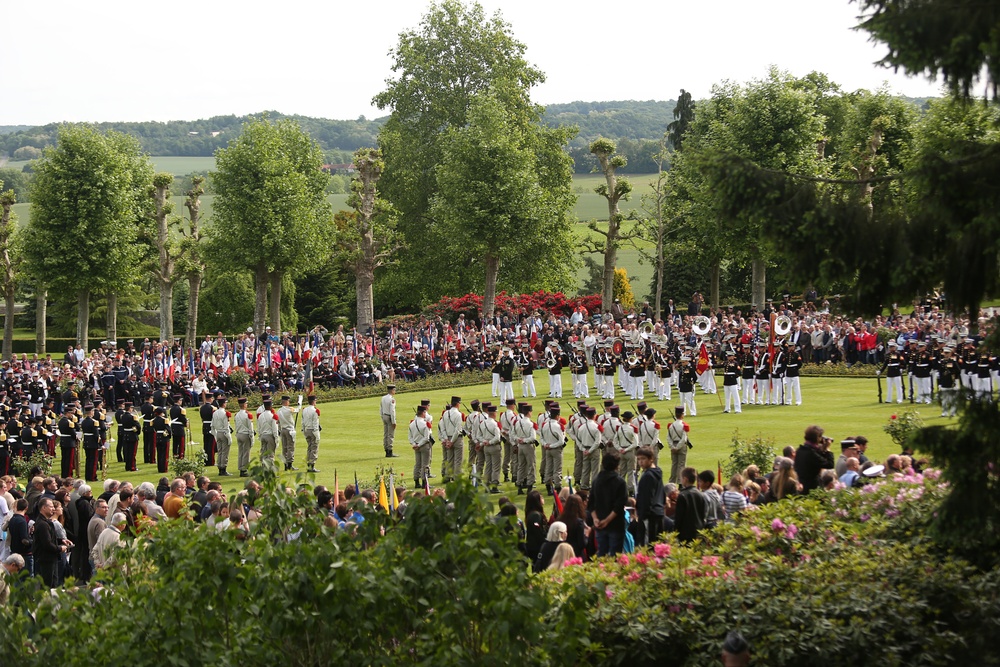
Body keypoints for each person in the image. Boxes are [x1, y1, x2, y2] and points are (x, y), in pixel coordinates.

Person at [588, 451, 627, 557]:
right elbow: (619, 506)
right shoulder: (620, 482)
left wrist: (595, 519)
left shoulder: (596, 481)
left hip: (599, 522)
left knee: (602, 555)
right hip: (615, 524)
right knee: (615, 557)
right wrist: (607, 520)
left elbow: (591, 503)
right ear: (617, 466)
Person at [634, 446, 665, 546]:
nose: (640, 462)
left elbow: (646, 498)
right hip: (658, 512)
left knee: (648, 545)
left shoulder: (648, 476)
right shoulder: (657, 472)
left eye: (643, 459)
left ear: (651, 459)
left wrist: (642, 515)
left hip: (649, 515)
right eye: (638, 459)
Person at [32, 497, 66, 588]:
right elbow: (47, 544)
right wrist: (60, 548)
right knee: (48, 585)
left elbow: (48, 538)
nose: (53, 509)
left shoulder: (45, 522)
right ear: (43, 508)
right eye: (51, 507)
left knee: (53, 584)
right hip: (46, 559)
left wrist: (61, 540)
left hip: (50, 558)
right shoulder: (42, 524)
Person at [794, 425, 834, 494]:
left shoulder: (800, 450)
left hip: (802, 486)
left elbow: (817, 460)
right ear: (817, 438)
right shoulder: (811, 454)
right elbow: (830, 464)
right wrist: (828, 450)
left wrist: (822, 449)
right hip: (813, 489)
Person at [674, 467, 707, 544]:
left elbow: (679, 516)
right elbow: (703, 514)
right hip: (698, 530)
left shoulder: (682, 495)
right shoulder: (701, 494)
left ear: (685, 479)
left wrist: (675, 531)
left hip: (685, 532)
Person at [409, 405, 433, 489]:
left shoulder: (412, 423)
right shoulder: (425, 424)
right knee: (425, 465)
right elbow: (426, 438)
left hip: (416, 446)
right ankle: (424, 482)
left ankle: (416, 481)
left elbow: (410, 437)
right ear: (423, 413)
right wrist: (419, 445)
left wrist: (414, 444)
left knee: (417, 464)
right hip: (424, 445)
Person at [666, 406, 690, 485]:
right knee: (681, 465)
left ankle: (672, 482)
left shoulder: (671, 425)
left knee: (674, 465)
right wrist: (678, 447)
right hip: (681, 446)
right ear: (682, 414)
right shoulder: (684, 425)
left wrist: (672, 447)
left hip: (673, 444)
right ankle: (680, 482)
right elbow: (684, 439)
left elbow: (668, 437)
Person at [212, 395, 233, 476]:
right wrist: (229, 437)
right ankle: (223, 468)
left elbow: (212, 425)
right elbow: (226, 426)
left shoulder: (215, 412)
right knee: (225, 452)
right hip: (224, 433)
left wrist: (215, 434)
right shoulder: (225, 413)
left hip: (218, 433)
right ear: (224, 404)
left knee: (220, 451)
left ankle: (220, 467)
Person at [523, 490, 547, 562]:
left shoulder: (534, 513)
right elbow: (538, 532)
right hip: (537, 547)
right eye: (541, 497)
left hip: (536, 546)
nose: (543, 499)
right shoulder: (535, 515)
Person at [234, 397, 255, 477]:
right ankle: (244, 469)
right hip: (245, 434)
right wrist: (252, 438)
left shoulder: (236, 414)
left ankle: (240, 467)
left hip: (239, 434)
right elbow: (250, 428)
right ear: (244, 405)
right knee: (246, 452)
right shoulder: (248, 414)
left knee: (241, 452)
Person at [300, 395, 321, 473]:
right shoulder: (315, 410)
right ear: (313, 401)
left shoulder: (305, 410)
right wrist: (317, 434)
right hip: (313, 430)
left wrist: (303, 430)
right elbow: (315, 423)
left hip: (306, 430)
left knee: (309, 448)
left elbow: (302, 421)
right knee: (314, 448)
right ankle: (311, 465)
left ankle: (309, 464)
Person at [277, 396, 298, 471]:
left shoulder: (279, 410)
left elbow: (278, 422)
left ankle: (285, 464)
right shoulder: (289, 409)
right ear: (286, 401)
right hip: (290, 430)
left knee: (284, 448)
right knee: (290, 447)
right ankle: (289, 464)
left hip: (283, 430)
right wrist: (299, 404)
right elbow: (297, 410)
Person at [380, 384, 398, 458]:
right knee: (390, 434)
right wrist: (394, 422)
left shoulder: (383, 398)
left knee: (386, 434)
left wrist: (382, 416)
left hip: (384, 415)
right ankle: (389, 451)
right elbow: (392, 411)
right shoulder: (392, 399)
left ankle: (386, 449)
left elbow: (380, 408)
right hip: (389, 417)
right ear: (392, 390)